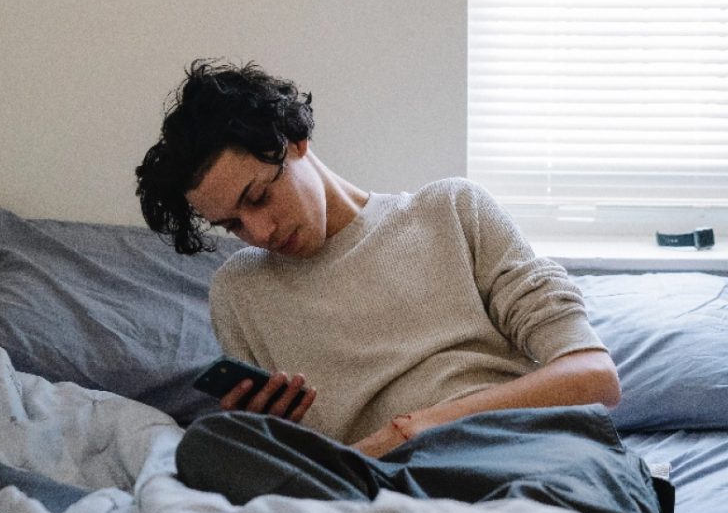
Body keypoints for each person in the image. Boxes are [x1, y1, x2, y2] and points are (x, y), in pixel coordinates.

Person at [135, 59, 620, 460]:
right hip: (379, 488)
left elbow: (593, 377)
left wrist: (417, 428)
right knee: (204, 455)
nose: (259, 233)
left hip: (515, 448)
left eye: (259, 197)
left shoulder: (451, 210)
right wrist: (266, 435)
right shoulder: (238, 290)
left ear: (295, 140)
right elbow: (296, 465)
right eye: (233, 225)